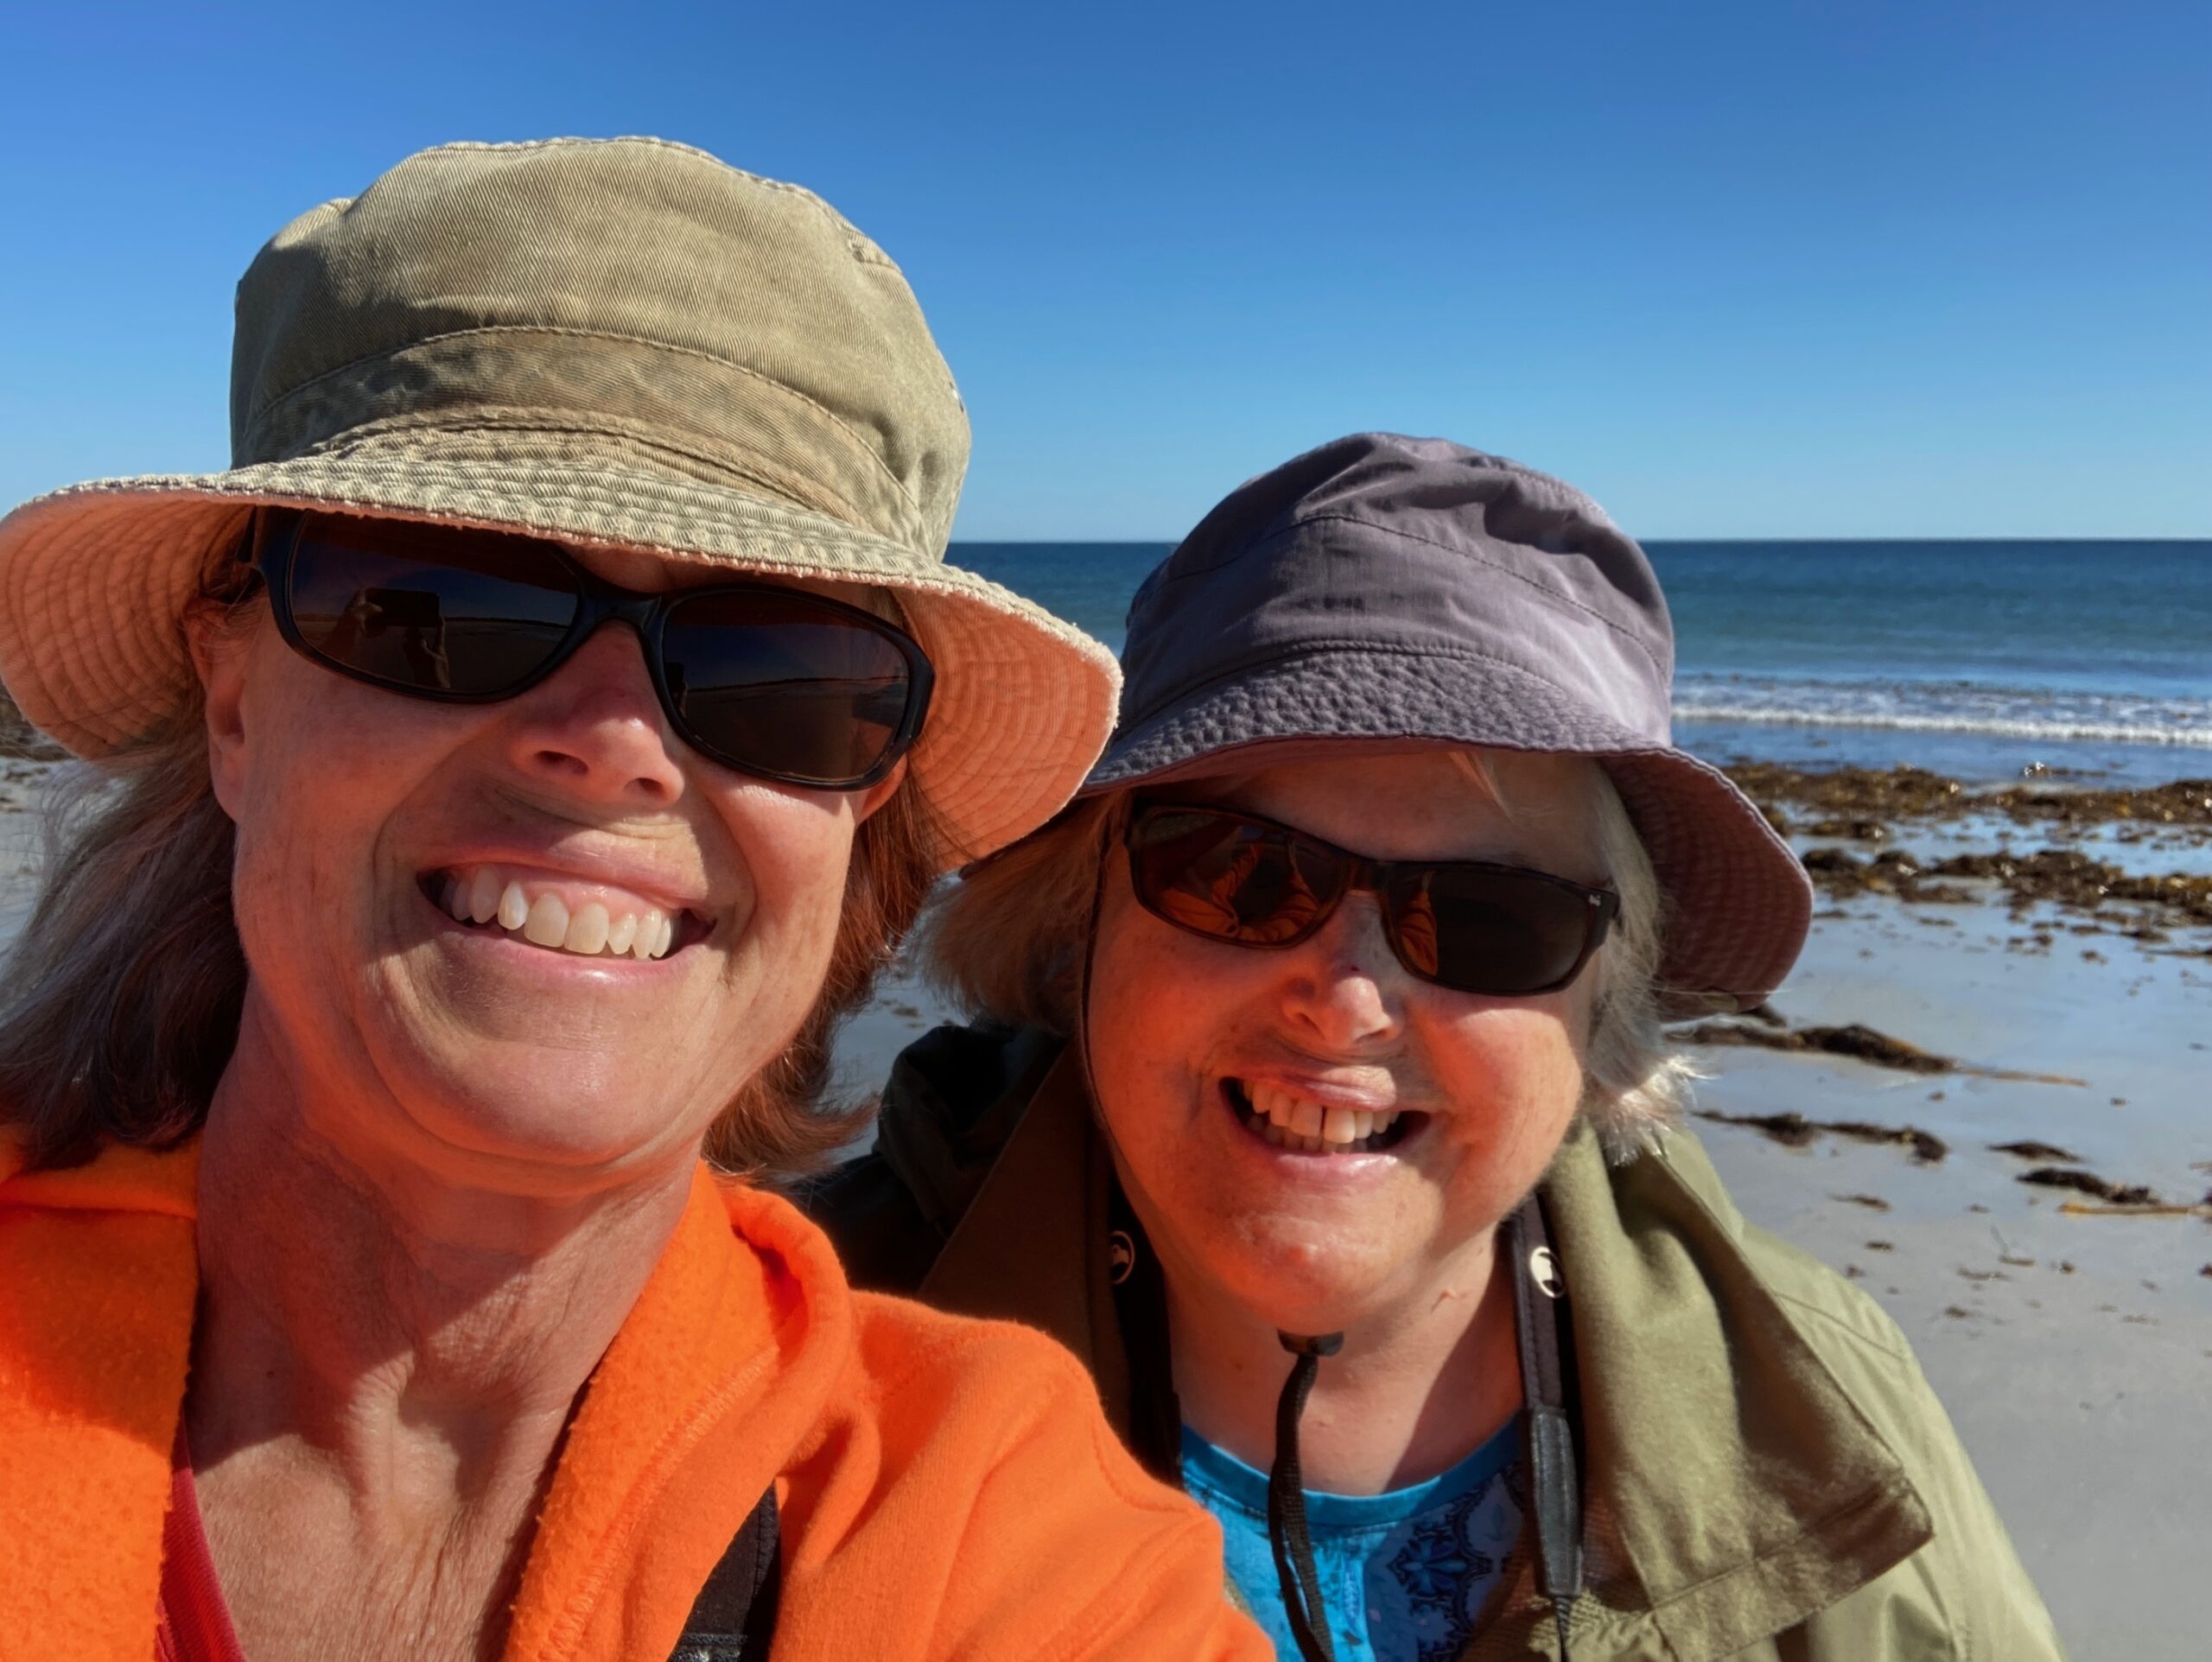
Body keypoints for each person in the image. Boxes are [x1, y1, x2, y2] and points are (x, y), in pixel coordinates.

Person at [0, 137, 1269, 1662]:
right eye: (447, 606)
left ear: (861, 806)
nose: (613, 747)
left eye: (782, 674)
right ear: (234, 704)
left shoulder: (989, 1526)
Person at [806, 434, 2067, 1661]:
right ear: (1078, 919)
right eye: (1239, 873)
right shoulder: (783, 1366)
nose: (1348, 1000)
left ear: (1603, 1013)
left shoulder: (1821, 1409)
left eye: (1489, 919)